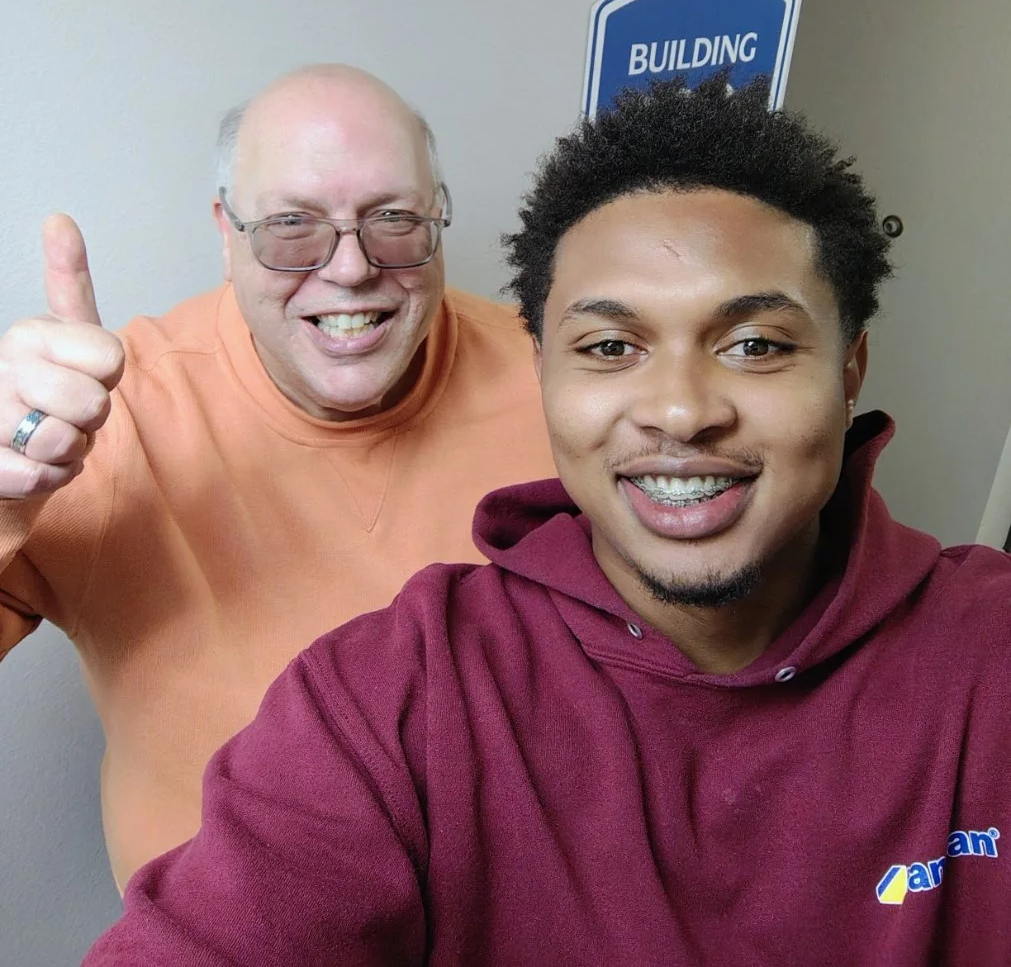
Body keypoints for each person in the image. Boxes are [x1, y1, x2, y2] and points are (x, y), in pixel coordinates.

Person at [83, 75, 1011, 966]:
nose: (680, 412)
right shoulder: (392, 698)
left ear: (848, 372)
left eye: (755, 345)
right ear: (544, 375)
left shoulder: (983, 657)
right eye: (610, 347)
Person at [0, 64, 555, 889]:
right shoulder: (94, 422)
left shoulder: (561, 379)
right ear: (227, 233)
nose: (349, 269)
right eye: (292, 226)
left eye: (394, 219)